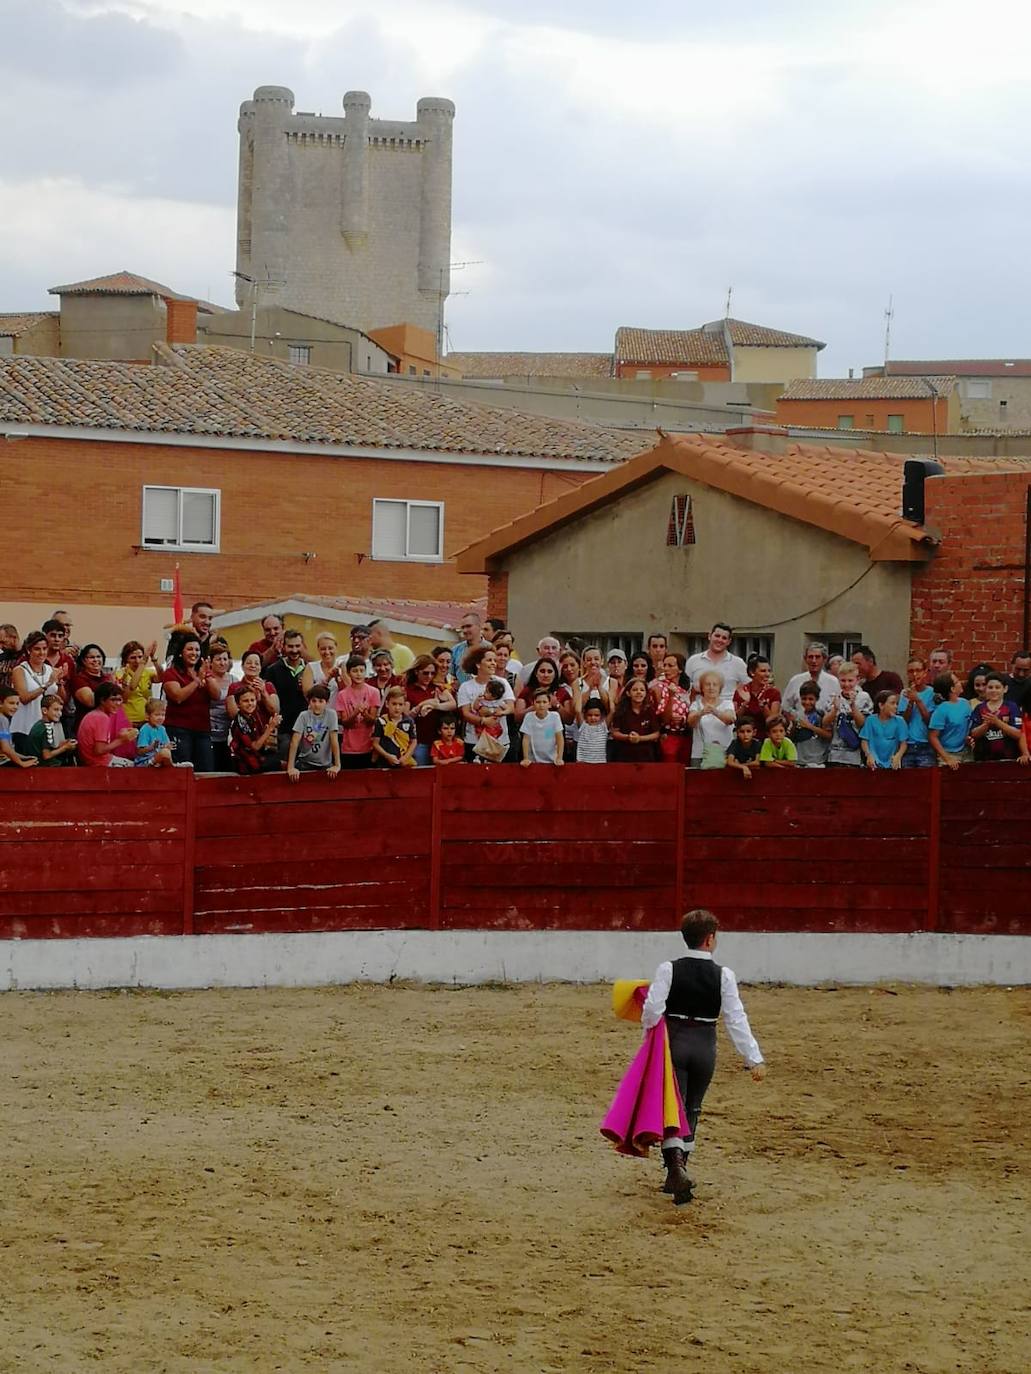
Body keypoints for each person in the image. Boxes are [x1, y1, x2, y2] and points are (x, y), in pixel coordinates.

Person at [641, 909, 765, 1205]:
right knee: (693, 1107)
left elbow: (652, 1009)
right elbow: (736, 1018)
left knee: (675, 1106)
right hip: (705, 1045)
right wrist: (753, 1058)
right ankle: (680, 1166)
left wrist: (650, 1033)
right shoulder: (724, 975)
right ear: (710, 939)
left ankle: (674, 1168)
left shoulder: (668, 969)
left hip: (675, 1042)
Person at [161, 635, 213, 771]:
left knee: (206, 769)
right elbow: (177, 696)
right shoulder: (171, 673)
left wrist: (207, 676)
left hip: (203, 730)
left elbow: (217, 695)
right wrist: (197, 680)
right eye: (190, 649)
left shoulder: (202, 672)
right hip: (179, 729)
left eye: (197, 650)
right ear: (181, 652)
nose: (194, 653)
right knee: (183, 770)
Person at [457, 646, 515, 763]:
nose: (494, 663)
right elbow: (466, 713)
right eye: (489, 660)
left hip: (499, 742)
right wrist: (483, 721)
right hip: (474, 742)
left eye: (494, 660)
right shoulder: (466, 687)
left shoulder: (502, 682)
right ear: (478, 664)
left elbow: (511, 707)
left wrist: (499, 712)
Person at [11, 631, 64, 751]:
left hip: (47, 728)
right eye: (37, 649)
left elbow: (60, 700)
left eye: (45, 648)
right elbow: (23, 698)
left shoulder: (51, 670)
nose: (42, 653)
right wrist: (47, 684)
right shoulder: (19, 670)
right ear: (29, 650)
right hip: (25, 728)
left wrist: (60, 683)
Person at [263, 629, 309, 760]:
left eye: (297, 646)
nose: (294, 650)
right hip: (283, 730)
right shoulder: (273, 670)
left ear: (302, 646)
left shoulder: (309, 668)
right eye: (290, 646)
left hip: (307, 728)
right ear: (283, 646)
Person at [405, 655, 457, 766]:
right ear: (416, 672)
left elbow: (453, 704)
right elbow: (406, 717)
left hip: (439, 741)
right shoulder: (408, 690)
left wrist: (435, 705)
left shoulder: (437, 687)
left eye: (432, 673)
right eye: (425, 673)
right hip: (419, 741)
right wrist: (420, 706)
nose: (429, 676)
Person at [969, 672, 1028, 764]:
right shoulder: (979, 708)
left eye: (997, 687)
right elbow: (974, 734)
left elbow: (1017, 734)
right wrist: (986, 724)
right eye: (990, 687)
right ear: (986, 689)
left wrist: (998, 722)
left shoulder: (1012, 707)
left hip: (1009, 759)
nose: (993, 690)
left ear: (1005, 689)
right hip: (984, 760)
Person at [334, 656, 382, 769]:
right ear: (349, 673)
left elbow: (373, 721)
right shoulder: (342, 695)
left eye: (361, 670)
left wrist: (364, 713)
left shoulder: (374, 692)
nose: (358, 674)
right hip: (349, 748)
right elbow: (345, 723)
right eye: (355, 671)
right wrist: (355, 712)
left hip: (368, 747)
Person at [286, 683, 340, 780]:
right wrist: (291, 767)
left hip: (325, 764)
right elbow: (295, 741)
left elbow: (334, 740)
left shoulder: (331, 715)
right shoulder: (304, 716)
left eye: (321, 701)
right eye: (313, 701)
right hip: (305, 762)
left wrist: (337, 765)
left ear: (327, 702)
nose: (317, 704)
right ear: (309, 701)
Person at [823, 663, 873, 768]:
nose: (846, 684)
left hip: (855, 754)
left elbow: (863, 724)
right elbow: (825, 723)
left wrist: (853, 706)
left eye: (850, 680)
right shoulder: (834, 696)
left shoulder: (864, 697)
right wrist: (834, 709)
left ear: (857, 679)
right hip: (834, 753)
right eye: (843, 680)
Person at [77, 682, 137, 767]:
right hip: (98, 763)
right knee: (136, 767)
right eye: (113, 700)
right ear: (102, 700)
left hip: (91, 760)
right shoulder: (102, 718)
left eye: (119, 699)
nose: (118, 703)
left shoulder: (93, 714)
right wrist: (122, 740)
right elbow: (99, 750)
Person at [688, 669, 736, 769]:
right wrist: (701, 713)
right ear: (702, 688)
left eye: (715, 684)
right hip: (700, 753)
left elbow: (730, 720)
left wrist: (715, 711)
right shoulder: (695, 705)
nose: (711, 687)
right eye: (707, 684)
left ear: (720, 688)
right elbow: (690, 722)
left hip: (724, 752)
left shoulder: (727, 704)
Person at [686, 624, 748, 699]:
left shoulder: (738, 663)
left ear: (729, 642)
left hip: (727, 709)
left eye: (724, 638)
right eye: (717, 636)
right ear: (709, 636)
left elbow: (747, 688)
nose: (720, 640)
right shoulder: (693, 660)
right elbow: (685, 688)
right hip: (699, 709)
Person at [652, 652, 693, 765]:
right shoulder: (658, 687)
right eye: (665, 665)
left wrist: (684, 719)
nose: (666, 669)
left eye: (670, 666)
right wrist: (670, 697)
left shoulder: (687, 689)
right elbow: (661, 717)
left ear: (680, 669)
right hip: (668, 736)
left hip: (685, 736)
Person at [229, 687, 282, 774]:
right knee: (283, 764)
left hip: (256, 758)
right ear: (238, 704)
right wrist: (270, 728)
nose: (250, 703)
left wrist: (267, 729)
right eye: (246, 701)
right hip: (247, 764)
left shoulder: (250, 718)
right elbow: (255, 747)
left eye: (252, 700)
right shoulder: (240, 723)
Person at [781, 642, 838, 718]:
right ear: (805, 659)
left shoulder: (833, 682)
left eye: (817, 657)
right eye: (810, 657)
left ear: (824, 659)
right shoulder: (795, 681)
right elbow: (785, 707)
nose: (814, 661)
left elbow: (838, 709)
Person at [609, 678, 660, 762]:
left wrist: (639, 738)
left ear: (646, 693)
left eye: (642, 690)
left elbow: (656, 734)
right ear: (628, 693)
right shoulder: (621, 711)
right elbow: (614, 733)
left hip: (646, 755)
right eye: (635, 690)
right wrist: (628, 737)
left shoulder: (650, 711)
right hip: (624, 755)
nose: (639, 692)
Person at [928, 673, 972, 770]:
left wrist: (969, 738)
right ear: (952, 689)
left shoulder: (965, 703)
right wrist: (947, 758)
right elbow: (933, 736)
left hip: (966, 752)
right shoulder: (941, 710)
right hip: (949, 753)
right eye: (957, 681)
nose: (960, 683)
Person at [734, 655, 781, 739]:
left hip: (765, 738)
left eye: (769, 671)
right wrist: (745, 703)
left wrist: (764, 706)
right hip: (744, 739)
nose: (767, 674)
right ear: (752, 672)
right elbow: (736, 718)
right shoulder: (742, 690)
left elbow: (773, 722)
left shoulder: (774, 692)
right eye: (763, 671)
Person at [113, 640, 160, 726]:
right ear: (126, 659)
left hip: (147, 720)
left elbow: (162, 678)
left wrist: (154, 658)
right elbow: (125, 697)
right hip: (129, 720)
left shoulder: (147, 672)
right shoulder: (120, 674)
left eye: (140, 657)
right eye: (133, 657)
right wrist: (143, 663)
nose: (137, 661)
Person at [900, 657, 936, 768]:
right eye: (911, 671)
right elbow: (903, 721)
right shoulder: (904, 693)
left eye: (918, 670)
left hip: (926, 745)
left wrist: (918, 700)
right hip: (908, 745)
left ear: (925, 672)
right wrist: (910, 701)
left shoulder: (932, 693)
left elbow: (930, 722)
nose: (915, 674)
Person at [227, 651, 279, 725]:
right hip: (243, 731)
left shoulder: (268, 686)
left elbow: (275, 711)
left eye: (256, 663)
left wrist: (263, 692)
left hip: (266, 730)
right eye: (249, 663)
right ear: (242, 666)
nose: (253, 666)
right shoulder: (234, 687)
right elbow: (232, 714)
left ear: (261, 668)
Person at [859, 692, 908, 770]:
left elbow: (903, 743)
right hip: (873, 763)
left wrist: (898, 756)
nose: (896, 706)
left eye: (896, 704)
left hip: (892, 763)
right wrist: (868, 755)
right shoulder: (870, 720)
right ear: (881, 705)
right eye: (892, 703)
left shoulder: (900, 721)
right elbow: (864, 740)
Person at [25, 692, 77, 766]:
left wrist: (62, 745)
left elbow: (45, 747)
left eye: (60, 710)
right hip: (43, 766)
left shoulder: (40, 724)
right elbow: (47, 755)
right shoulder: (46, 728)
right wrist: (65, 748)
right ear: (45, 710)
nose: (60, 713)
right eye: (56, 710)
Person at [70, 643, 112, 732]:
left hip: (108, 724)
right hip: (87, 726)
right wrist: (111, 691)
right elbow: (90, 701)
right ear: (83, 660)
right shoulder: (79, 679)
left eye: (98, 656)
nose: (96, 660)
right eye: (91, 657)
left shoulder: (108, 677)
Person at [372, 686, 417, 767]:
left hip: (403, 762)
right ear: (387, 704)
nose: (397, 708)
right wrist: (387, 756)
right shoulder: (381, 721)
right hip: (384, 762)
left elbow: (413, 741)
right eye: (394, 704)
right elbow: (375, 744)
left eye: (400, 704)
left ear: (404, 705)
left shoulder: (409, 721)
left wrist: (406, 757)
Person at [520, 688, 565, 766]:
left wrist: (559, 758)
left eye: (544, 702)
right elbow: (526, 739)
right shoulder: (529, 717)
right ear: (533, 703)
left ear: (549, 704)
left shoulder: (555, 716)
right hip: (533, 761)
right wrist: (526, 758)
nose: (541, 705)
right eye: (538, 702)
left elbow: (559, 738)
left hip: (552, 761)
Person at [0, 685, 37, 768]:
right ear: (1, 703)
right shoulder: (2, 720)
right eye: (11, 703)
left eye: (17, 704)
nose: (15, 707)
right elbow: (5, 748)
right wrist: (22, 763)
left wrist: (24, 757)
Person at [572, 681, 608, 764]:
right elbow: (578, 709)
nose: (593, 718)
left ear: (601, 716)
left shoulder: (604, 726)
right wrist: (590, 689)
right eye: (590, 715)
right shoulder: (583, 726)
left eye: (596, 715)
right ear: (585, 715)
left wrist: (599, 688)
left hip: (600, 764)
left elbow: (612, 710)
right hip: (583, 763)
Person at [450, 611, 491, 684]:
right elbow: (450, 675)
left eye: (468, 626)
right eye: (463, 627)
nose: (465, 630)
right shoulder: (455, 650)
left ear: (479, 626)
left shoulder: (490, 649)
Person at [134, 697, 174, 767]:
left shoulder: (162, 729)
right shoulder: (145, 729)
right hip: (145, 760)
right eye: (157, 715)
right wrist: (151, 747)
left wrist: (168, 746)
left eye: (163, 715)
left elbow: (164, 746)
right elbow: (140, 751)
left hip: (159, 758)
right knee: (164, 753)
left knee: (166, 752)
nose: (160, 718)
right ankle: (151, 764)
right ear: (148, 716)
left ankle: (171, 767)